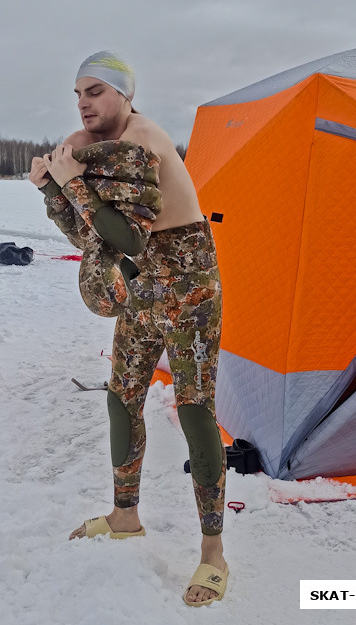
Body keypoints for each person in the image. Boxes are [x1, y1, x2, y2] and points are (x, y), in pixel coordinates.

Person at [29, 51, 227, 606]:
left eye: (96, 91)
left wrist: (76, 185)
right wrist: (53, 187)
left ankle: (213, 552)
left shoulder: (141, 141)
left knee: (193, 409)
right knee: (122, 398)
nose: (84, 102)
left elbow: (130, 237)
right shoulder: (89, 144)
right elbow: (94, 236)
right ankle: (124, 515)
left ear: (125, 94)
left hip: (189, 284)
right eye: (77, 93)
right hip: (143, 285)